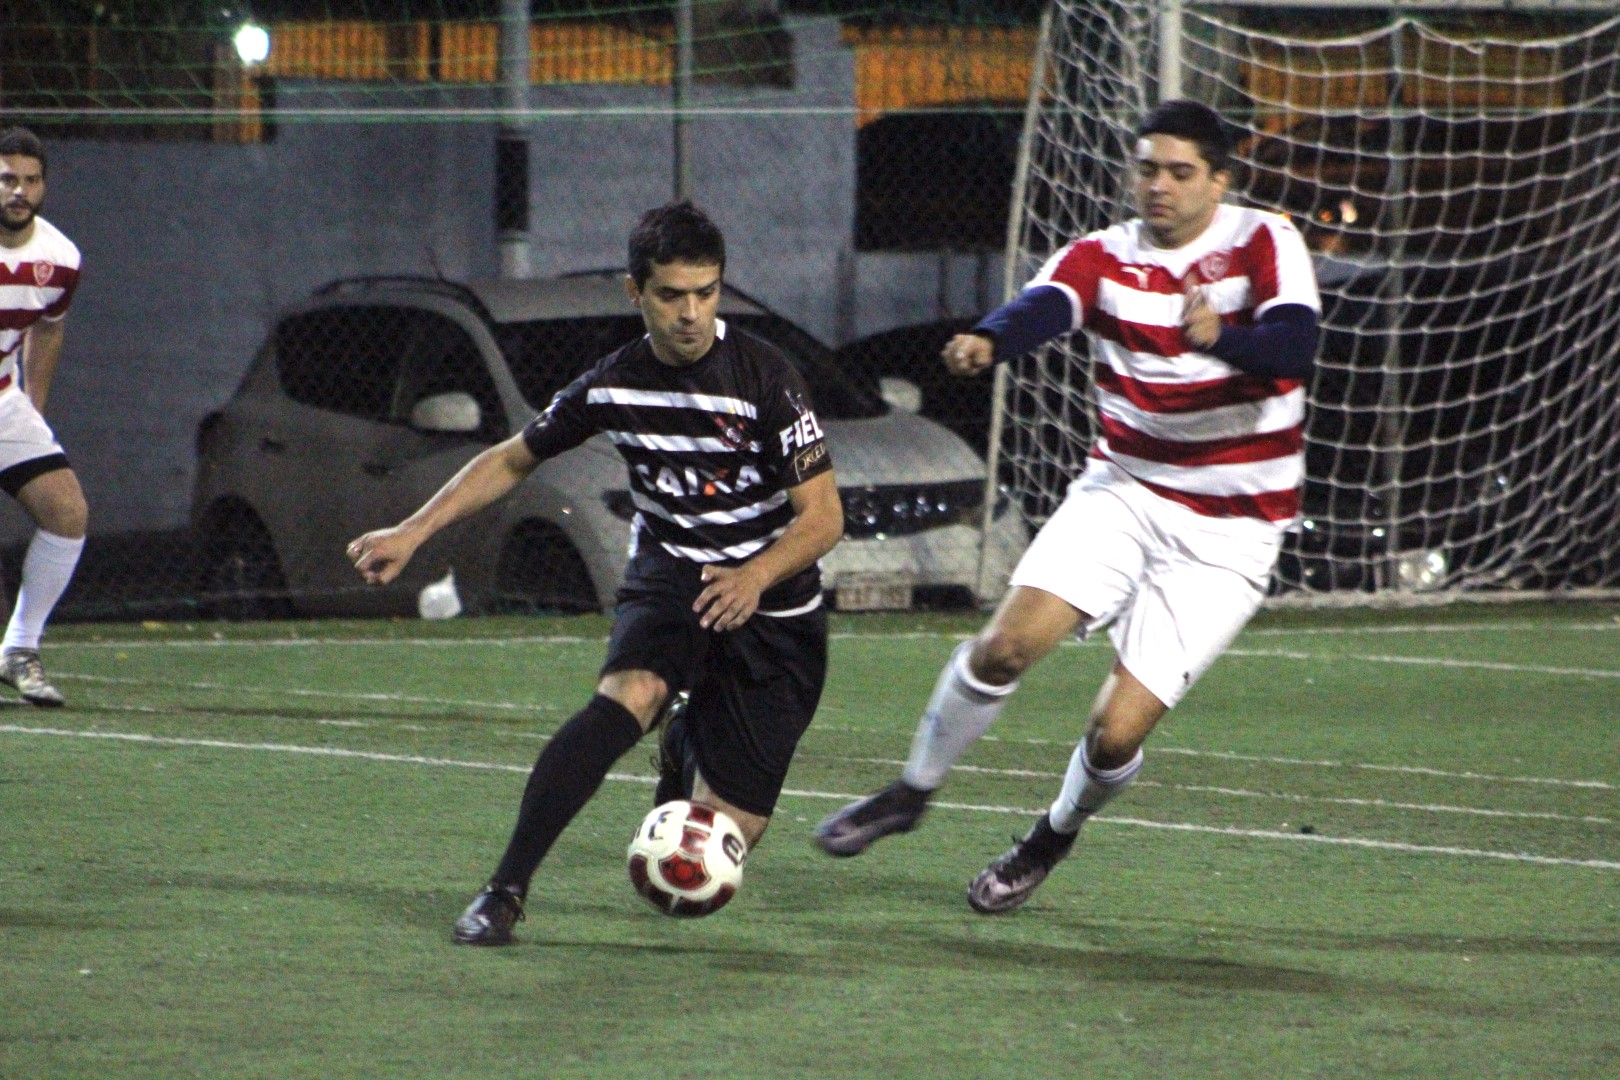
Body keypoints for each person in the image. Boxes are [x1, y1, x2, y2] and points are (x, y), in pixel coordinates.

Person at [814, 100, 1320, 914]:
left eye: (1180, 172)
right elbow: (1047, 305)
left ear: (1220, 181)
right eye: (1146, 169)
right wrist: (991, 338)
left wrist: (1219, 337)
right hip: (1126, 491)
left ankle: (1050, 836)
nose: (1158, 186)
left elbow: (1293, 349)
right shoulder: (1102, 255)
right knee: (1003, 648)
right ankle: (911, 791)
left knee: (1113, 735)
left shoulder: (1265, 241)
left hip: (1231, 532)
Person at [347, 201, 843, 945]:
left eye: (706, 293)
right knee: (626, 697)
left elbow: (823, 518)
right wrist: (413, 531)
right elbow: (513, 458)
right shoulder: (614, 383)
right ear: (635, 291)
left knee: (712, 852)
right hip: (674, 574)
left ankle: (687, 736)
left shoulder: (766, 378)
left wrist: (754, 574)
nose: (690, 313)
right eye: (671, 295)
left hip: (775, 604)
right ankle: (504, 891)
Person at [0, 127, 89, 708]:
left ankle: (19, 649)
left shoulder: (60, 259)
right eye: (8, 179)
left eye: (30, 181)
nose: (19, 191)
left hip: (3, 398)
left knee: (67, 512)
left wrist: (32, 410)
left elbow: (49, 329)